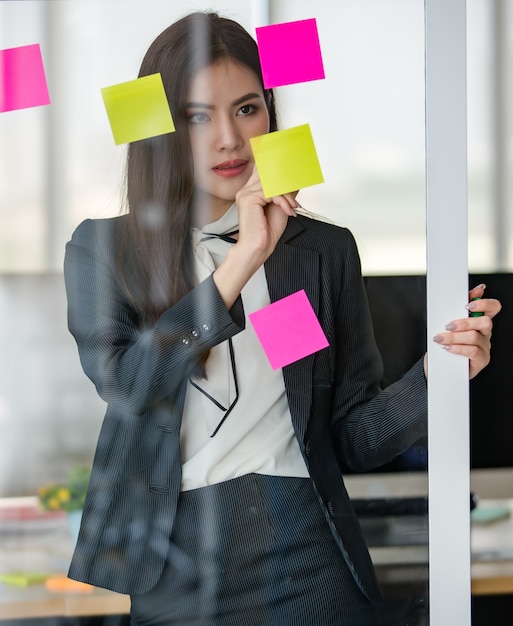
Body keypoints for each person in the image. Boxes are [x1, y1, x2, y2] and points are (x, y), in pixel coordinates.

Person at [63, 11, 501, 626]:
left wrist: (436, 374)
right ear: (161, 128)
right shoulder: (106, 250)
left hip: (304, 548)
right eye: (197, 116)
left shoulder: (318, 252)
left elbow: (350, 436)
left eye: (247, 109)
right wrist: (241, 263)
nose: (228, 139)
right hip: (175, 558)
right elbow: (129, 384)